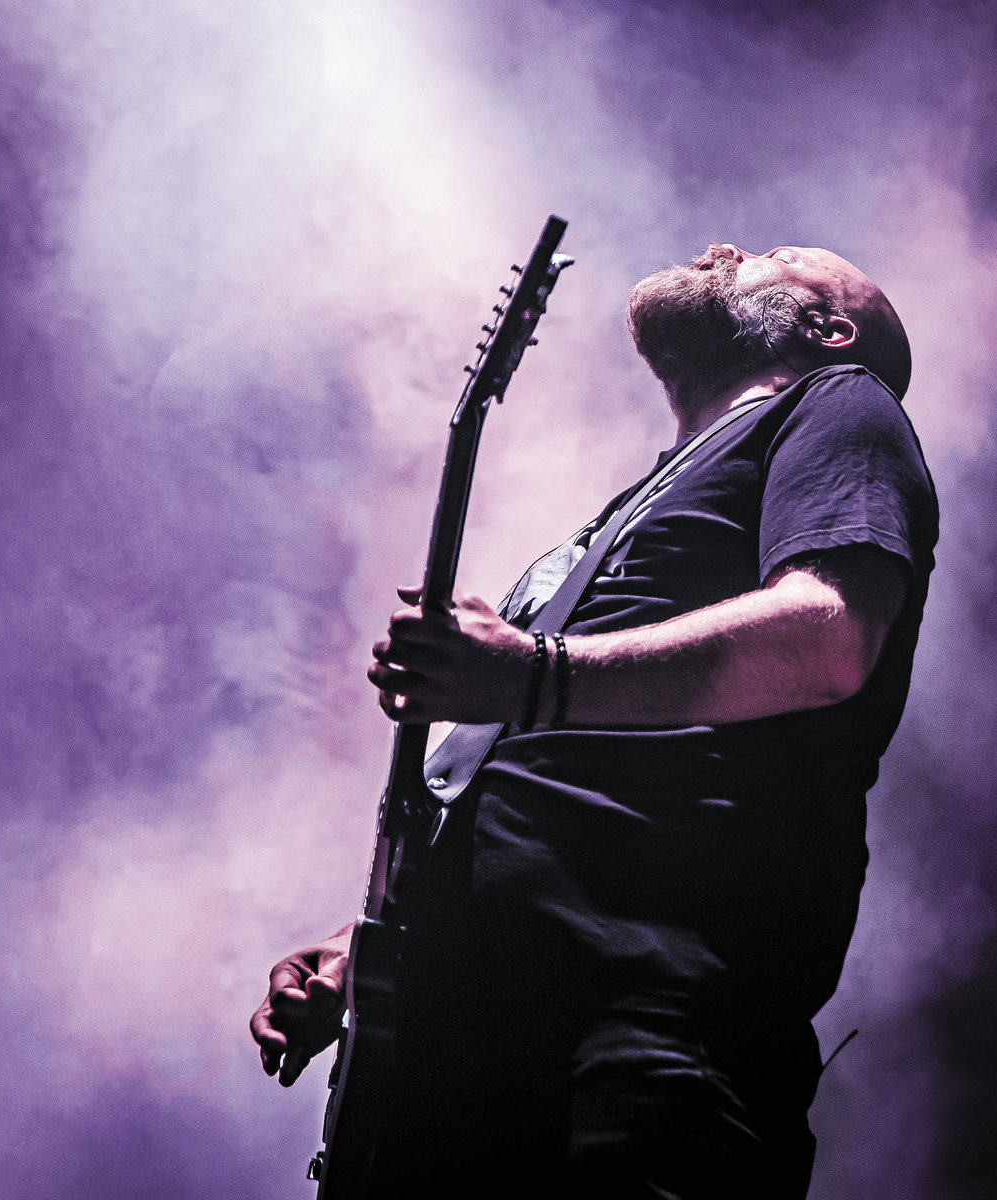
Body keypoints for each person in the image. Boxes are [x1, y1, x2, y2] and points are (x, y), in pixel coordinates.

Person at [250, 242, 938, 1198]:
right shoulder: (635, 505)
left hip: (635, 1037)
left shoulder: (840, 402)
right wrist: (370, 950)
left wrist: (532, 675)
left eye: (771, 258)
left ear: (827, 329)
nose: (725, 250)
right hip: (457, 1048)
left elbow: (828, 638)